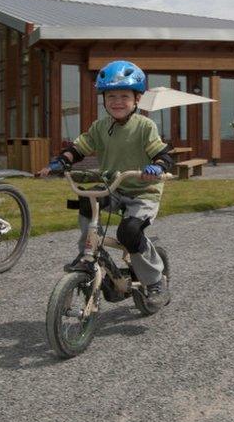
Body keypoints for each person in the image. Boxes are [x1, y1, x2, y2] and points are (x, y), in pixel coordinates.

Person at [36, 60, 174, 309]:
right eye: (111, 96)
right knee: (87, 201)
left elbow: (163, 155)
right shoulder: (100, 127)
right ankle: (88, 254)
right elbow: (79, 148)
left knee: (129, 233)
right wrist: (60, 162)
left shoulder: (145, 126)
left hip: (144, 192)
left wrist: (158, 167)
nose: (117, 101)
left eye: (124, 96)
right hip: (115, 188)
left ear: (137, 99)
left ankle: (155, 282)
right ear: (104, 99)